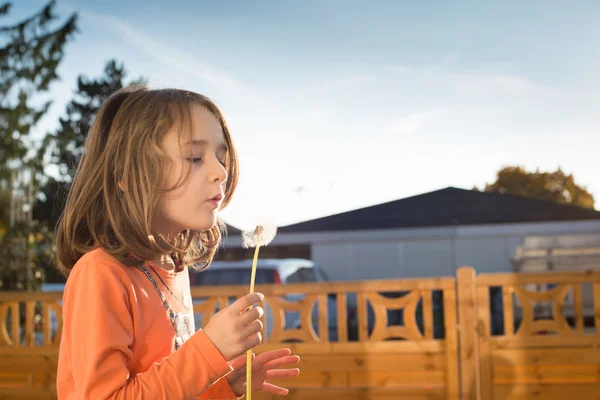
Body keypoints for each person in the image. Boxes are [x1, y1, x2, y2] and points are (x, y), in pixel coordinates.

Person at [55, 85, 300, 399]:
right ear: (129, 177)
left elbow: (168, 386)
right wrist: (208, 351)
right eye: (195, 157)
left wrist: (223, 388)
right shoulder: (100, 274)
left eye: (220, 157)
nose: (220, 172)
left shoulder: (172, 266)